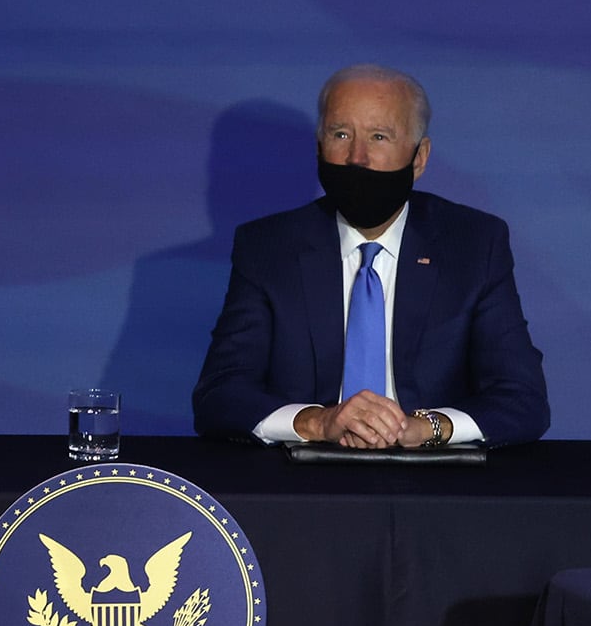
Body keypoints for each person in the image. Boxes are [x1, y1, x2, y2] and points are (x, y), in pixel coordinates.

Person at [192, 64, 549, 448]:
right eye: (340, 134)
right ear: (318, 146)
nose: (356, 157)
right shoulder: (269, 246)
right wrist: (317, 422)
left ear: (419, 158)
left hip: (433, 485)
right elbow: (220, 395)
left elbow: (523, 399)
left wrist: (426, 428)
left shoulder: (474, 244)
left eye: (379, 136)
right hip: (302, 483)